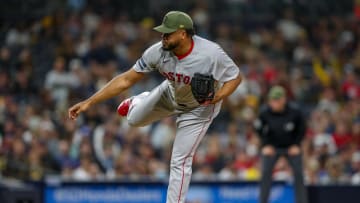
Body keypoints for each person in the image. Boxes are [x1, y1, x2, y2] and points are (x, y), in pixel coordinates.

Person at [68, 11, 242, 203]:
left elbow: (235, 77)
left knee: (180, 161)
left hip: (199, 109)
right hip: (171, 93)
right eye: (162, 33)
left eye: (168, 33)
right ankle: (137, 101)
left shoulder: (211, 53)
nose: (163, 37)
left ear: (183, 34)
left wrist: (218, 97)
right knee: (133, 120)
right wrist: (89, 102)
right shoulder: (157, 51)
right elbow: (126, 79)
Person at [254, 85, 308, 203]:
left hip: (291, 146)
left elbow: (302, 129)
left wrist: (296, 144)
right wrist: (265, 145)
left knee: (299, 174)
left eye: (276, 100)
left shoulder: (295, 112)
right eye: (271, 100)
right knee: (265, 173)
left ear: (283, 99)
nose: (273, 103)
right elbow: (258, 129)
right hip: (272, 147)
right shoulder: (264, 112)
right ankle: (263, 201)